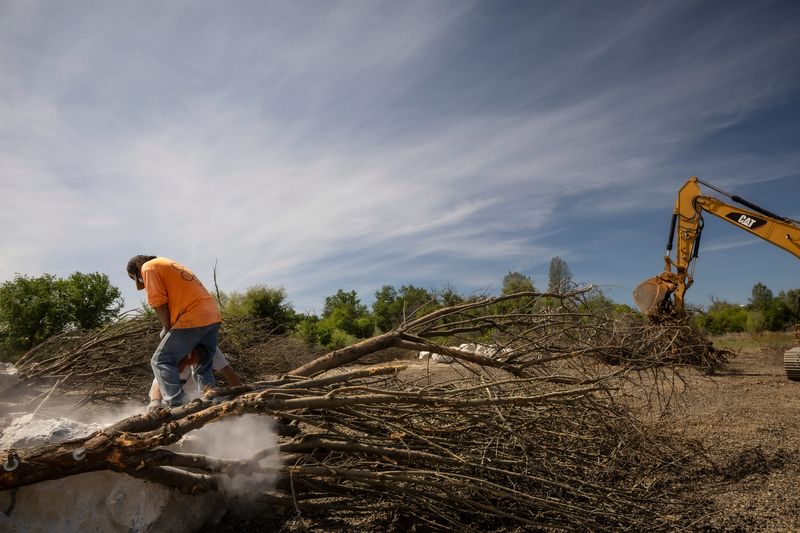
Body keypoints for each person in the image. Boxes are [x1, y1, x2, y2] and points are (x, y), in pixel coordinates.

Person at [127, 255, 222, 407]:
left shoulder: (148, 266)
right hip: (212, 315)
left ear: (139, 264)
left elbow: (158, 300)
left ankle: (178, 405)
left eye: (137, 278)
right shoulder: (169, 265)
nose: (140, 282)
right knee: (202, 362)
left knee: (160, 361)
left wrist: (166, 327)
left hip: (193, 315)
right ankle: (211, 402)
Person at [147, 346, 242, 411]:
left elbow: (228, 371)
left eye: (183, 362)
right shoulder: (167, 354)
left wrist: (240, 395)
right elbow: (159, 381)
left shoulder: (210, 349)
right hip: (166, 399)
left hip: (196, 398)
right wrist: (155, 401)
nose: (180, 368)